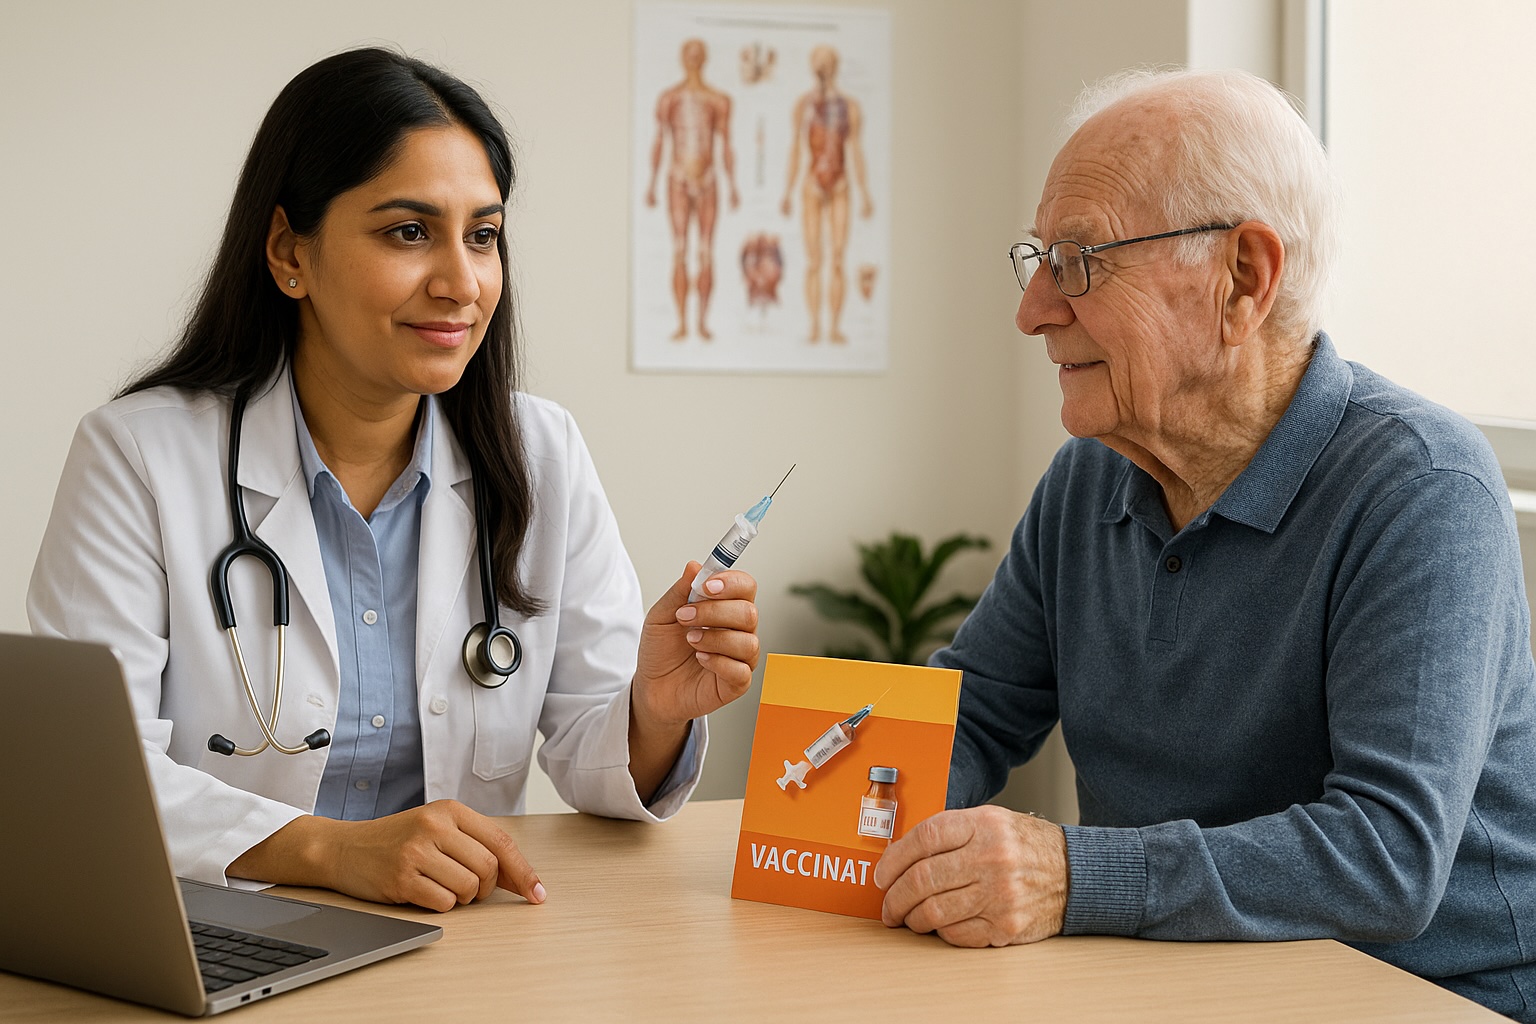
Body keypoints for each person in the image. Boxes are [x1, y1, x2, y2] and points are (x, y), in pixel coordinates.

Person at [27, 48, 761, 915]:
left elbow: (592, 762)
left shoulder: (541, 452)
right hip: (218, 934)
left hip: (455, 950)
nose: (461, 283)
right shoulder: (137, 457)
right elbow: (92, 783)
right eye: (408, 232)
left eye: (482, 236)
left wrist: (655, 709)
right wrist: (334, 852)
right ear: (287, 252)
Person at [873, 67, 1536, 1021]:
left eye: (1082, 260)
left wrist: (1071, 875)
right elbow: (972, 715)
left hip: (1427, 997)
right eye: (1039, 260)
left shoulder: (1423, 487)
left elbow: (1387, 856)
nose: (1034, 310)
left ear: (1245, 279)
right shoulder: (1091, 477)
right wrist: (809, 809)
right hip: (1186, 982)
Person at [644, 38, 739, 342]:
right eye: (690, 54)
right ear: (684, 59)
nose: (694, 59)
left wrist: (733, 185)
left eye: (699, 54)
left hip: (709, 178)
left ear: (705, 59)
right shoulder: (669, 98)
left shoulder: (718, 100)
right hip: (678, 178)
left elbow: (726, 144)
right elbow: (660, 141)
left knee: (706, 252)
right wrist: (652, 184)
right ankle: (684, 323)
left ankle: (702, 322)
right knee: (681, 250)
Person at [781, 45, 873, 344]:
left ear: (835, 66)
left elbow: (855, 149)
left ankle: (833, 326)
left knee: (836, 258)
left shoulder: (850, 106)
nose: (823, 67)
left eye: (827, 62)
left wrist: (865, 192)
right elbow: (795, 148)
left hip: (840, 184)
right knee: (813, 260)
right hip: (812, 184)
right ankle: (813, 326)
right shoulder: (803, 105)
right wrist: (787, 189)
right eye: (818, 62)